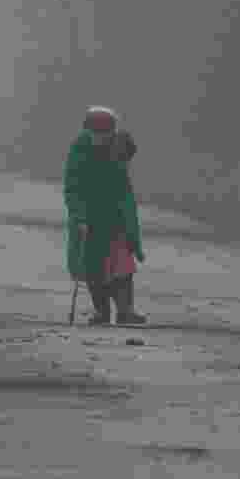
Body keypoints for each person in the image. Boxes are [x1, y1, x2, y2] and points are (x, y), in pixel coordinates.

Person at [63, 106, 147, 325]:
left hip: (117, 216)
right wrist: (80, 216)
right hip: (90, 218)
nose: (101, 139)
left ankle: (125, 310)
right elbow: (72, 188)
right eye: (97, 134)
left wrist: (122, 149)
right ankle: (101, 311)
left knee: (123, 266)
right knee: (93, 267)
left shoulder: (118, 143)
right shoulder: (79, 150)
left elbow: (129, 151)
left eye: (106, 134)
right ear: (87, 132)